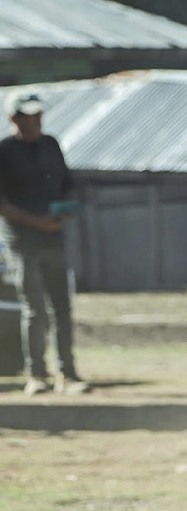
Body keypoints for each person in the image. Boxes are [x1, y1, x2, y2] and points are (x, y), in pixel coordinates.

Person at [0, 92, 89, 395]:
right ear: (14, 118)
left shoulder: (50, 144)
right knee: (34, 308)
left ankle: (69, 374)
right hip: (22, 242)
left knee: (62, 308)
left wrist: (66, 211)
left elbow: (68, 184)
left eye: (39, 115)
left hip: (54, 238)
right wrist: (35, 221)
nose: (36, 120)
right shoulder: (4, 151)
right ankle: (37, 374)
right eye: (28, 115)